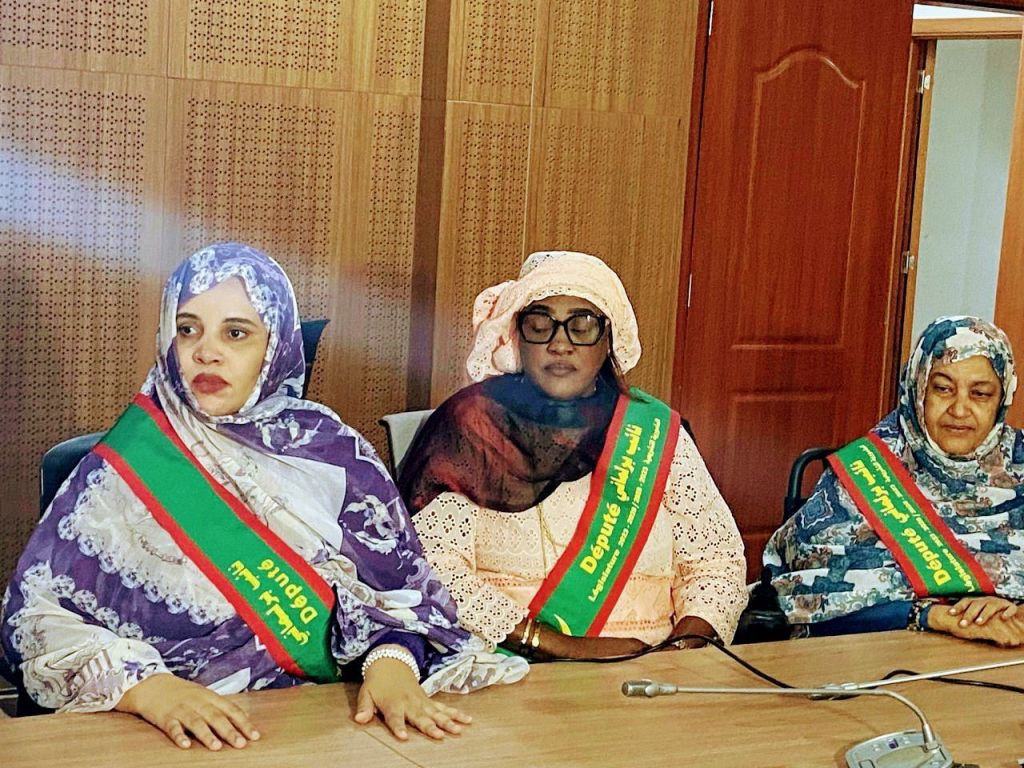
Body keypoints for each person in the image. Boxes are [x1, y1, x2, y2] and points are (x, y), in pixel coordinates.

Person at [0, 243, 525, 749]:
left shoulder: (334, 455)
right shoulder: (124, 465)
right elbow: (32, 620)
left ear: (275, 347)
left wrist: (392, 665)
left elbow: (403, 599)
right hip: (161, 737)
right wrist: (146, 689)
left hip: (325, 726)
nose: (206, 352)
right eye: (187, 329)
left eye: (236, 333)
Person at [398, 251, 747, 659]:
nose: (560, 343)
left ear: (608, 341)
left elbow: (716, 562)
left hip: (651, 677)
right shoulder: (474, 428)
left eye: (582, 325)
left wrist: (682, 649)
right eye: (540, 324)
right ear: (517, 336)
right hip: (510, 672)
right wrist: (561, 646)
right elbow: (431, 567)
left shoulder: (652, 431)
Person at [764, 316, 1024, 645]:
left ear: (1002, 398)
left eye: (981, 393)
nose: (960, 409)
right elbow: (804, 601)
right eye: (943, 388)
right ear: (917, 387)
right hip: (887, 655)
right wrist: (935, 616)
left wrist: (1015, 612)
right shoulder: (865, 471)